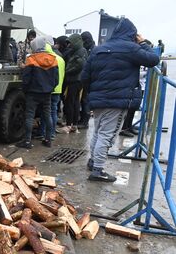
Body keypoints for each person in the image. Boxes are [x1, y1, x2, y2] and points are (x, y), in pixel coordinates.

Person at [81, 18, 159, 182]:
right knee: (107, 135)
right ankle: (98, 170)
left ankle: (93, 161)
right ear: (132, 34)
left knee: (98, 132)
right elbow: (153, 59)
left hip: (98, 99)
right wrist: (143, 42)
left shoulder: (98, 50)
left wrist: (93, 94)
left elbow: (84, 77)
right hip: (117, 102)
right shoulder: (131, 48)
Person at [16, 36, 58, 149]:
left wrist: (25, 90)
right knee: (47, 115)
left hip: (33, 93)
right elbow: (56, 79)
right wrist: (50, 88)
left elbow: (26, 79)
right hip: (47, 93)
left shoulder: (31, 59)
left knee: (29, 116)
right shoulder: (53, 59)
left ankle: (27, 141)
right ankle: (48, 139)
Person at [41, 37, 65, 141]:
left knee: (45, 111)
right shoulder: (60, 59)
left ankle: (43, 133)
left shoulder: (47, 59)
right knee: (54, 111)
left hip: (48, 89)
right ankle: (52, 134)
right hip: (58, 88)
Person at [63, 33, 87, 132]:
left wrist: (67, 70)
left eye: (70, 43)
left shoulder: (80, 52)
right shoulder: (81, 51)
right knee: (76, 102)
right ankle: (74, 124)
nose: (69, 45)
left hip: (74, 80)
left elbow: (79, 65)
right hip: (78, 80)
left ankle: (69, 124)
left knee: (70, 102)